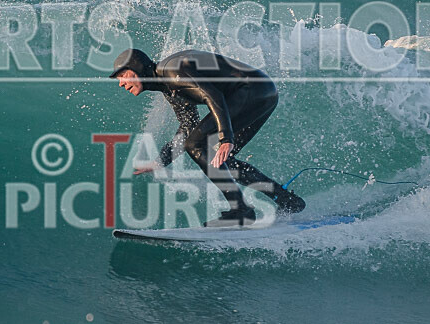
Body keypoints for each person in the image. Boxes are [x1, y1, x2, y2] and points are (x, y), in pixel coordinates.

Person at [110, 48, 305, 226]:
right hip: (262, 92)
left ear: (137, 68)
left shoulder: (172, 71)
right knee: (217, 159)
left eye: (123, 76)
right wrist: (160, 161)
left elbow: (213, 96)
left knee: (196, 145)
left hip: (252, 90)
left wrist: (225, 138)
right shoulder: (169, 87)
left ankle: (241, 210)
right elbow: (188, 127)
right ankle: (286, 200)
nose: (121, 83)